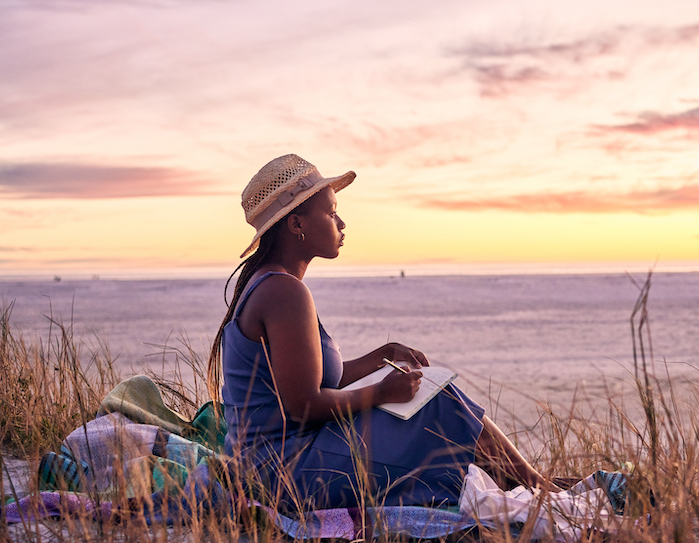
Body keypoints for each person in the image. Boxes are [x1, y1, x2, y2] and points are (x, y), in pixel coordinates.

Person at [208, 154, 556, 512]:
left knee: (436, 399)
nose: (341, 223)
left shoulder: (270, 284)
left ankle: (530, 483)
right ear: (297, 224)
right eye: (330, 213)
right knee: (440, 400)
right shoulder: (284, 292)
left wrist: (381, 356)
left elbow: (314, 382)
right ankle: (537, 487)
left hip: (276, 463)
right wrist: (381, 391)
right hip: (284, 474)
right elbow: (303, 406)